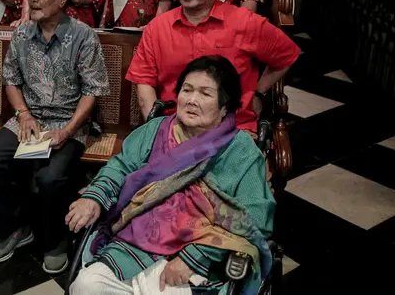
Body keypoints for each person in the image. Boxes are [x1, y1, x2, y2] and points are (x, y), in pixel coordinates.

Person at [67, 56, 275, 295]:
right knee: (86, 286)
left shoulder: (242, 152)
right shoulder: (157, 130)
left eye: (205, 94)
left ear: (225, 106)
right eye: (187, 90)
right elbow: (121, 166)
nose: (192, 100)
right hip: (134, 245)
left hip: (196, 258)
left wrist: (194, 258)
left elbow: (255, 217)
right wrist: (93, 197)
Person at [0, 0, 109, 274]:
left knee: (50, 178)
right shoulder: (22, 32)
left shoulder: (83, 36)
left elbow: (92, 91)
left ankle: (56, 239)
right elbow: (10, 79)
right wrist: (23, 114)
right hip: (30, 118)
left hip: (69, 121)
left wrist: (68, 130)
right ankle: (14, 228)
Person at [127, 0, 300, 133]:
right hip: (174, 130)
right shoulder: (157, 28)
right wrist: (158, 133)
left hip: (232, 130)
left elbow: (287, 55)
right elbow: (145, 85)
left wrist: (259, 92)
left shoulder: (245, 22)